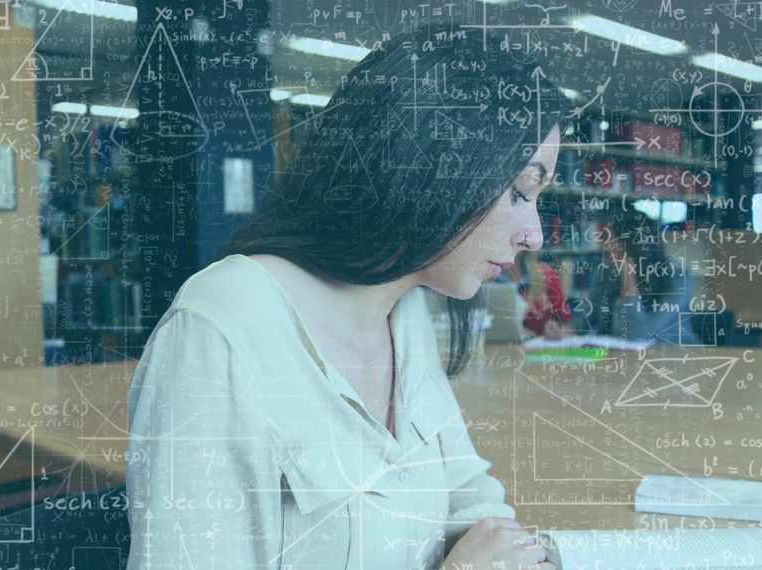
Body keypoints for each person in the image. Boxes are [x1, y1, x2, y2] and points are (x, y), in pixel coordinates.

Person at [125, 28, 573, 569]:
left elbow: (469, 496)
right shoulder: (221, 330)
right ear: (429, 160)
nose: (536, 236)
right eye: (520, 192)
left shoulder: (404, 309)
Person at [587, 209, 699, 345]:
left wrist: (627, 271)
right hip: (620, 360)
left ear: (632, 244)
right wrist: (562, 330)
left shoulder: (678, 276)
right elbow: (585, 318)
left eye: (612, 238)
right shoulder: (606, 272)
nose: (605, 245)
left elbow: (636, 336)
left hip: (672, 361)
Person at [512, 252, 572, 340]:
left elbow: (566, 323)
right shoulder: (492, 275)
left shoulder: (546, 274)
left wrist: (555, 330)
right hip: (497, 344)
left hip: (536, 345)